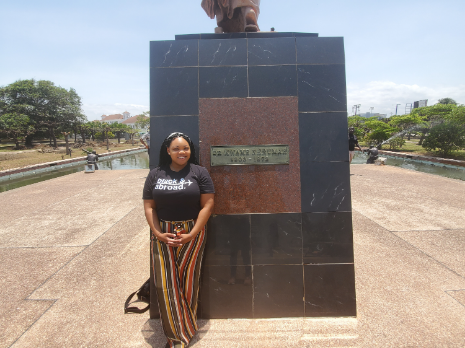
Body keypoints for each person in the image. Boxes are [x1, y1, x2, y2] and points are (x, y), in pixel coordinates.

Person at [142, 132, 215, 348]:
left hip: (192, 231)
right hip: (162, 232)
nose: (181, 152)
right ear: (168, 151)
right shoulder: (155, 174)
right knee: (166, 285)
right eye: (176, 148)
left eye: (185, 148)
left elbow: (208, 205)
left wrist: (192, 233)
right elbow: (149, 206)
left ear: (190, 150)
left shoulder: (199, 172)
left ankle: (184, 330)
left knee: (188, 282)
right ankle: (178, 338)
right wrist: (157, 233)